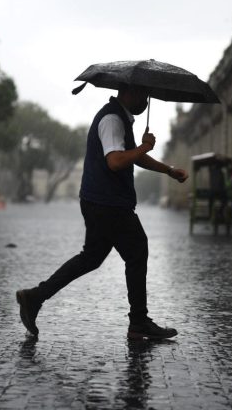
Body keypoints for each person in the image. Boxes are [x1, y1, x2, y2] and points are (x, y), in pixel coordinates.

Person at [16, 85, 189, 340]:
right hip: (108, 203)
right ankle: (138, 322)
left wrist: (168, 170)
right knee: (137, 249)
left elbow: (132, 157)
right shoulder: (111, 119)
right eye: (143, 95)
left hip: (100, 201)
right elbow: (116, 161)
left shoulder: (119, 119)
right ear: (128, 92)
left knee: (91, 258)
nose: (145, 101)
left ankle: (34, 297)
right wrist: (145, 147)